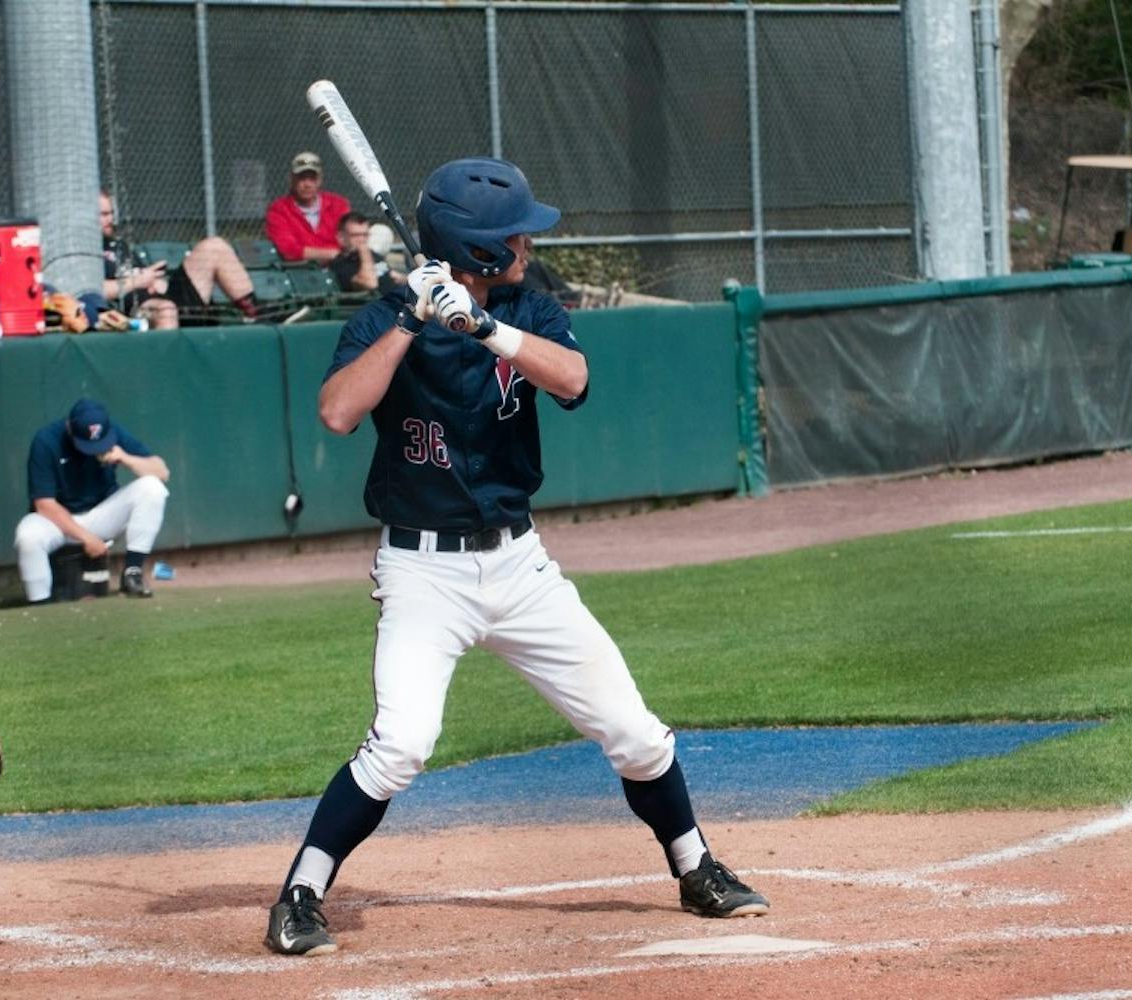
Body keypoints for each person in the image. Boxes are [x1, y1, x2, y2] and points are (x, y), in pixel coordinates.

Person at [263, 158, 768, 958]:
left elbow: (573, 378)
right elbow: (336, 412)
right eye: (515, 236)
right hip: (423, 573)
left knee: (635, 732)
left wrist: (483, 326)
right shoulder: (389, 313)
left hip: (519, 566)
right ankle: (300, 894)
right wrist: (413, 320)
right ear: (480, 249)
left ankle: (696, 867)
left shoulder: (530, 307)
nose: (529, 245)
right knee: (401, 745)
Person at [13, 398, 170, 603]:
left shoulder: (113, 433)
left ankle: (132, 573)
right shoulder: (47, 440)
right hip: (59, 522)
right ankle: (40, 605)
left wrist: (126, 458)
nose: (94, 449)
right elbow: (44, 505)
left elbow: (162, 472)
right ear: (70, 428)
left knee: (152, 488)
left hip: (101, 515)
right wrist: (86, 537)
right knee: (27, 536)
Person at [99, 191, 266, 329]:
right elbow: (94, 291)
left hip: (163, 296)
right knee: (166, 310)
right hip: (135, 312)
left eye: (112, 213)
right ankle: (171, 358)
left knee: (215, 247)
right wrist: (138, 281)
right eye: (104, 214)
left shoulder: (118, 244)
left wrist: (154, 280)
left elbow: (141, 275)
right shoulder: (88, 254)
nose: (111, 219)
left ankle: (261, 320)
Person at [264, 152, 350, 264]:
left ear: (320, 180)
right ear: (292, 180)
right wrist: (332, 254)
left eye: (312, 179)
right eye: (302, 178)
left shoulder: (338, 205)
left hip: (340, 265)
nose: (307, 185)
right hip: (301, 268)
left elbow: (349, 239)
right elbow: (289, 250)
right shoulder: (278, 210)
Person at [328, 212, 399, 295]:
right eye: (356, 235)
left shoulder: (374, 256)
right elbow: (370, 284)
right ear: (341, 237)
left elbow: (393, 276)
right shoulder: (340, 263)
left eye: (365, 234)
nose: (362, 240)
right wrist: (364, 251)